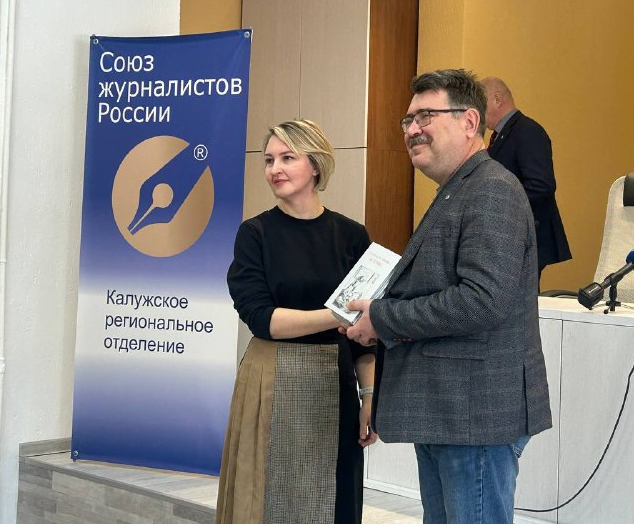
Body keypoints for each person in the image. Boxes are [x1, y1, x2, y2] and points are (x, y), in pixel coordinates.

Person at [345, 70, 552, 524]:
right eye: (408, 120)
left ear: (469, 121)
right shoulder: (459, 190)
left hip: (473, 413)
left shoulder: (492, 190)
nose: (412, 130)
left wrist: (383, 318)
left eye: (426, 116)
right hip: (450, 410)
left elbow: (481, 300)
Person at [217, 119, 377, 524]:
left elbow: (365, 336)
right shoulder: (255, 233)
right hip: (271, 378)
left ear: (316, 165)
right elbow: (262, 319)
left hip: (336, 383)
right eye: (269, 160)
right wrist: (339, 313)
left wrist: (370, 396)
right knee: (267, 501)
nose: (275, 169)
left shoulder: (352, 235)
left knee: (333, 500)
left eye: (288, 158)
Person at [480, 76, 571, 279]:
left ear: (497, 99)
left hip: (527, 236)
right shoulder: (503, 134)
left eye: (480, 104)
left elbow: (541, 185)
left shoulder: (528, 131)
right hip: (512, 236)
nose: (478, 112)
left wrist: (498, 203)